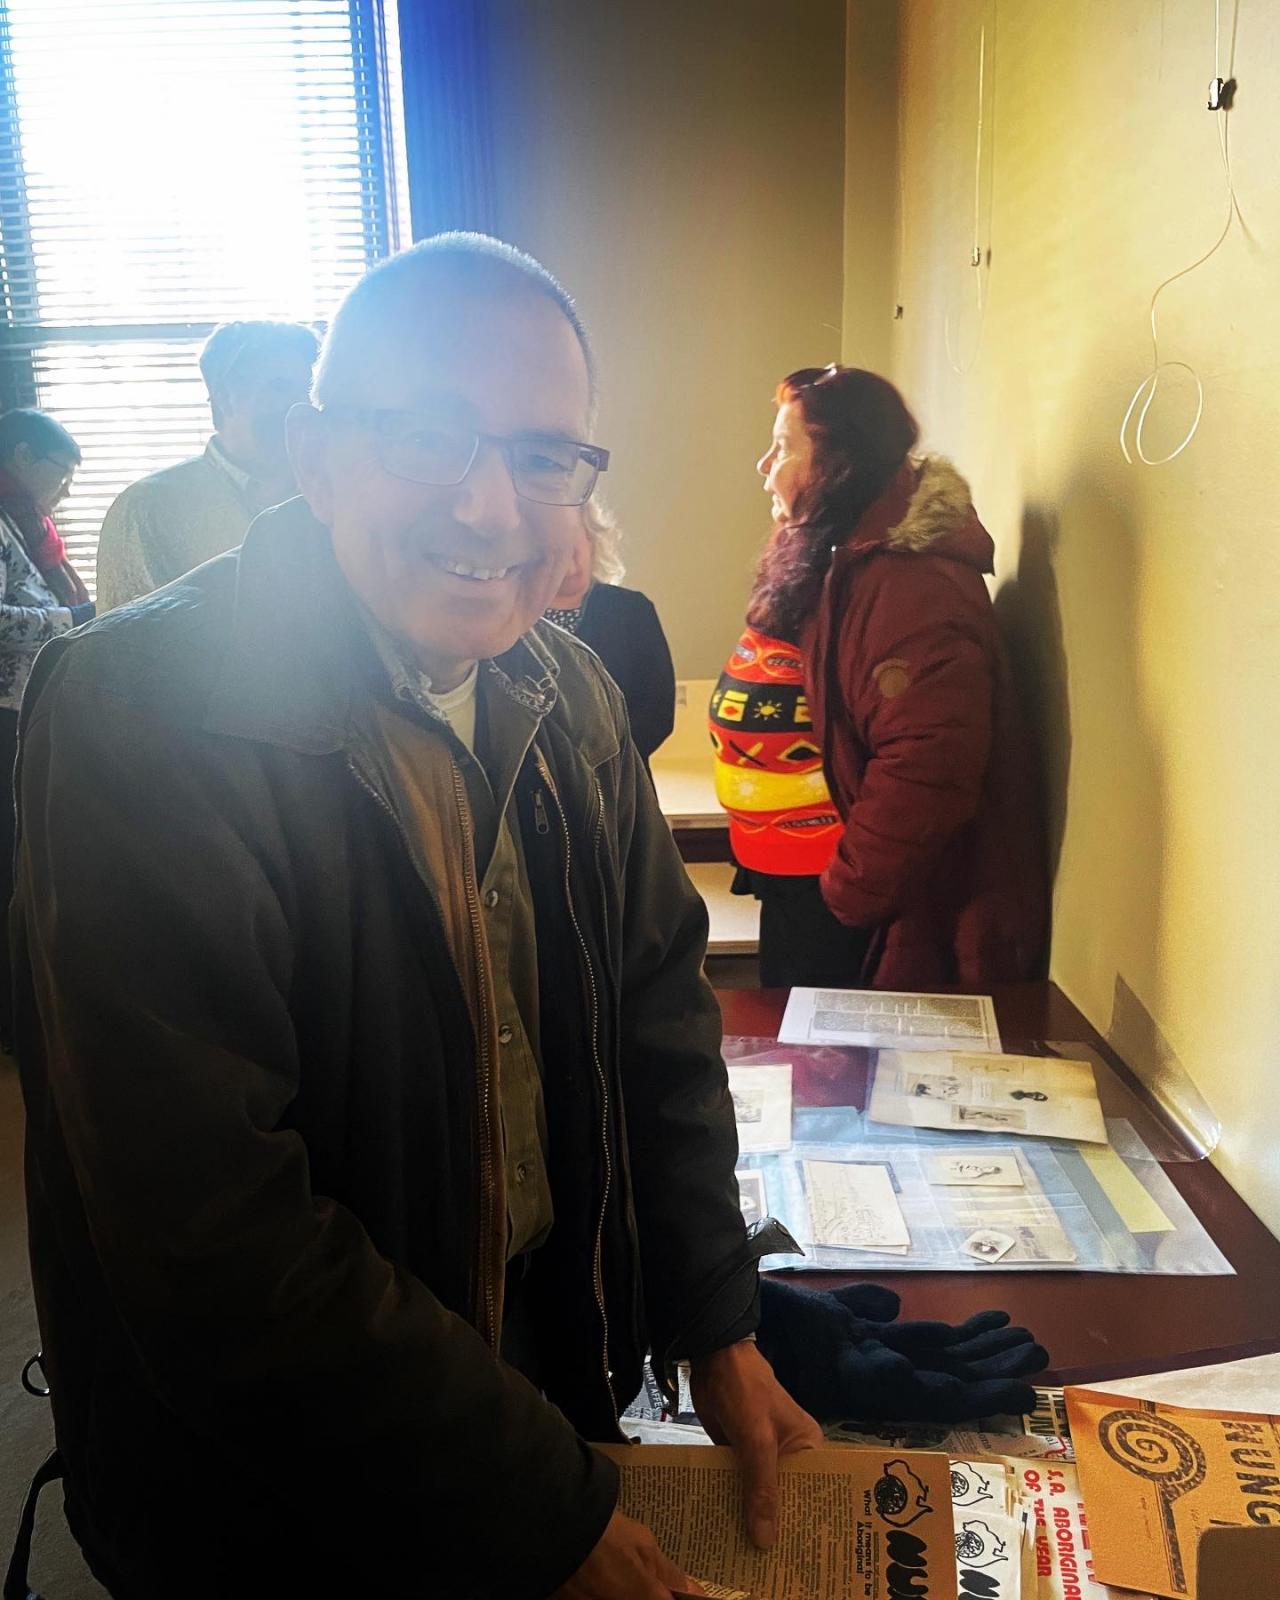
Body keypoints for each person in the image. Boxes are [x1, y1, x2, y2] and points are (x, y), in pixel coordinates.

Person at [10, 235, 824, 1600]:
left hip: (531, 1383)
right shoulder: (138, 708)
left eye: (542, 457)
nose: (490, 506)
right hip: (269, 1487)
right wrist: (539, 1502)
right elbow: (212, 1229)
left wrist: (714, 1315)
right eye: (432, 438)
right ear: (318, 456)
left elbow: (656, 1024)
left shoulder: (567, 694)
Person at [746, 365, 1046, 990]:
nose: (764, 466)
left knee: (829, 1078)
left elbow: (928, 764)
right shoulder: (847, 557)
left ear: (837, 463)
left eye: (783, 447)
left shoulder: (912, 587)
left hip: (863, 904)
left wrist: (844, 892)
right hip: (814, 882)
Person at [94, 319, 319, 610]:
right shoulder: (147, 508)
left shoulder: (336, 495)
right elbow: (119, 642)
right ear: (225, 397)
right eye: (279, 388)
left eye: (308, 391)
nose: (302, 405)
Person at [0, 408, 93, 1042]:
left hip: (27, 700)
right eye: (58, 475)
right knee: (14, 858)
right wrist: (70, 620)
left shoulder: (23, 522)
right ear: (24, 459)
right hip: (4, 710)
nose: (63, 492)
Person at [709, 624, 859, 986]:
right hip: (772, 853)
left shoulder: (864, 608)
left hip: (828, 854)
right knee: (785, 987)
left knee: (815, 995)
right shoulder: (786, 605)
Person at [543, 494, 676, 764]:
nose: (567, 560)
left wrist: (600, 765)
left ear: (592, 539)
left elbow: (657, 712)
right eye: (552, 546)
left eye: (572, 542)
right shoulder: (516, 618)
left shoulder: (631, 610)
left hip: (621, 783)